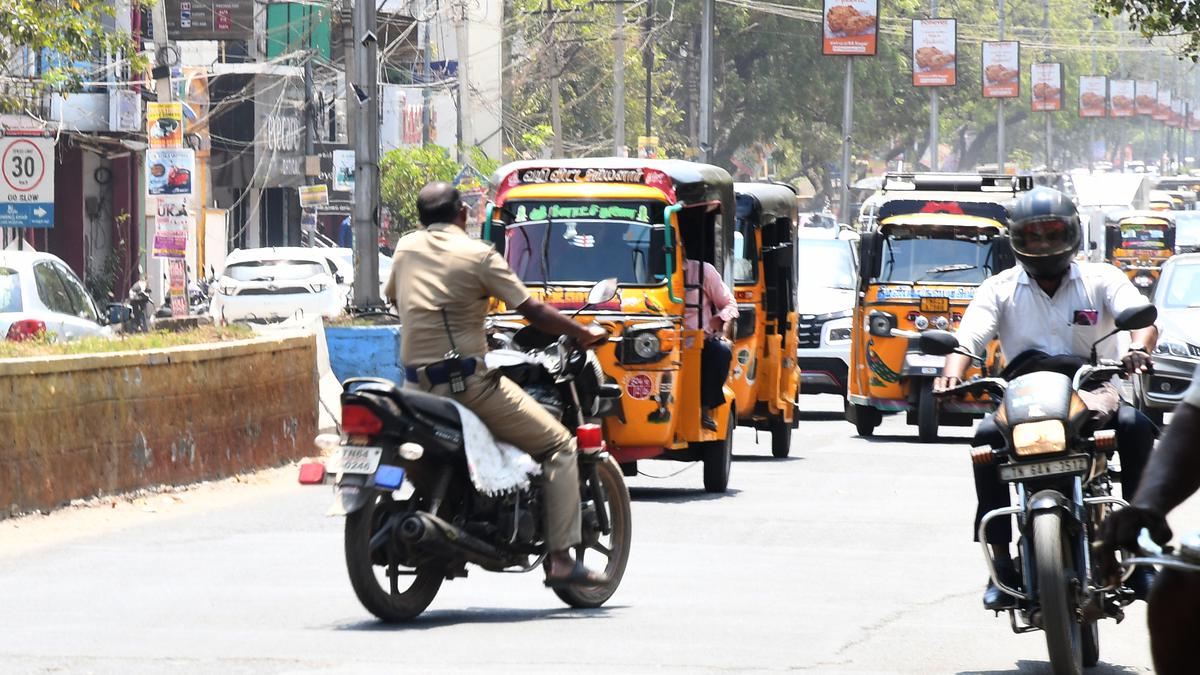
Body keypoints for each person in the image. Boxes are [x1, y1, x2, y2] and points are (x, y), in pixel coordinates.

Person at [933, 186, 1159, 609]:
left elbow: (1141, 318)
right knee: (984, 441)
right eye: (1032, 236)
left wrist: (1138, 349)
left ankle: (1139, 552)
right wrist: (950, 376)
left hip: (1091, 387)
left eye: (1051, 234)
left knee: (1134, 427)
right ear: (1016, 241)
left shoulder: (1102, 278)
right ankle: (1001, 565)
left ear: (1071, 235)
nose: (1042, 244)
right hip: (1024, 394)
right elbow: (968, 341)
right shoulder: (998, 288)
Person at [384, 182, 610, 587]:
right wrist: (582, 333)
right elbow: (534, 312)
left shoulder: (404, 248)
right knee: (559, 445)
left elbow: (397, 300)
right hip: (465, 386)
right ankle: (560, 561)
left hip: (414, 387)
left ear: (420, 219)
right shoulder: (479, 254)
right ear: (463, 216)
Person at [1095, 367, 1200, 675]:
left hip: (1097, 394)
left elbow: (1142, 332)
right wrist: (1145, 508)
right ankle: (1002, 562)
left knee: (1135, 425)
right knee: (1178, 590)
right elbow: (1196, 418)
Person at [682, 247, 738, 431]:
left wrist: (721, 324)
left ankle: (705, 408)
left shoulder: (703, 271)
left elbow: (729, 304)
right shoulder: (640, 273)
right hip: (655, 343)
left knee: (721, 352)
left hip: (697, 344)